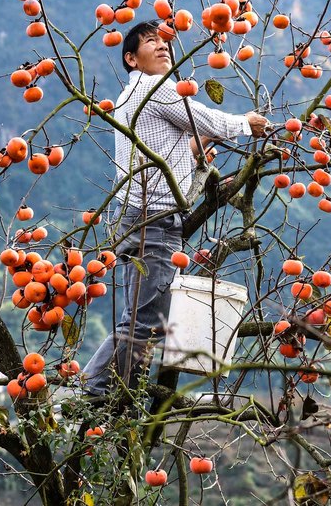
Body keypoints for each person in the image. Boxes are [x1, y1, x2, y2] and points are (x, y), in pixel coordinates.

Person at [82, 20, 269, 397]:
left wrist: (196, 154)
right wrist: (245, 124)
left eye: (165, 40)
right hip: (153, 220)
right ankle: (94, 392)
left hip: (147, 218)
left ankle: (119, 394)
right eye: (151, 41)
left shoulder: (135, 95)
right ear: (131, 58)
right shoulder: (153, 88)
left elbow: (170, 147)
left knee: (150, 319)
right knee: (144, 321)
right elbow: (204, 118)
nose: (164, 46)